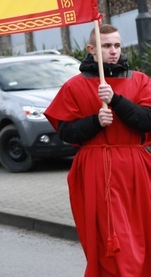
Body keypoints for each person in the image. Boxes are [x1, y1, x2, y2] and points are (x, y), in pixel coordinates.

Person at [45, 24, 151, 276]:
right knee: (109, 239)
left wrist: (115, 100)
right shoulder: (74, 86)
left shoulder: (140, 80)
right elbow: (66, 132)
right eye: (106, 46)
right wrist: (95, 121)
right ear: (91, 49)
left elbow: (147, 120)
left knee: (142, 233)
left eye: (116, 45)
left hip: (135, 169)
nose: (113, 51)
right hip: (96, 170)